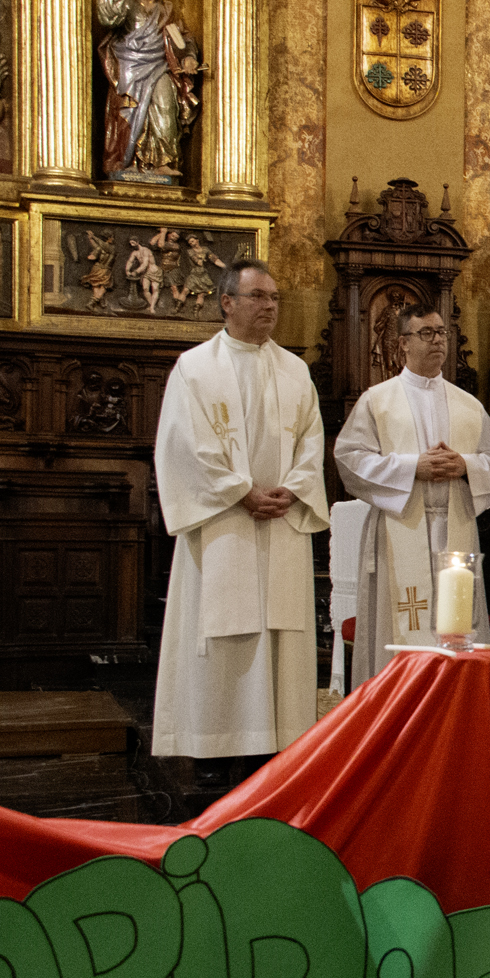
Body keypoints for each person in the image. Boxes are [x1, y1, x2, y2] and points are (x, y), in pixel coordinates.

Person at [151, 261, 329, 778]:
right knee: (223, 636)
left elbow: (312, 441)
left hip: (281, 521)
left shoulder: (295, 370)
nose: (269, 306)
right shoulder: (195, 368)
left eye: (274, 297)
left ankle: (274, 748)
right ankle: (214, 747)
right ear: (227, 302)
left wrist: (292, 489)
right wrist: (241, 493)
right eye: (258, 296)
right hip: (223, 524)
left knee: (280, 635)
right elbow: (185, 446)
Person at [334, 305, 490, 685]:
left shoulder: (468, 404)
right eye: (426, 333)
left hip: (454, 528)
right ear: (403, 344)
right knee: (402, 623)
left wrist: (465, 465)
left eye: (442, 332)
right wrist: (412, 467)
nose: (437, 341)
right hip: (400, 528)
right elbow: (349, 460)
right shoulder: (377, 400)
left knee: (455, 630)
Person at [97, 0, 200, 178]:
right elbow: (108, 17)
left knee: (166, 104)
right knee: (130, 112)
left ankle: (163, 160)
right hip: (128, 69)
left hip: (159, 66)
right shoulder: (127, 2)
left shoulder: (167, 9)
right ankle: (127, 161)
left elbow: (183, 38)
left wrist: (189, 56)